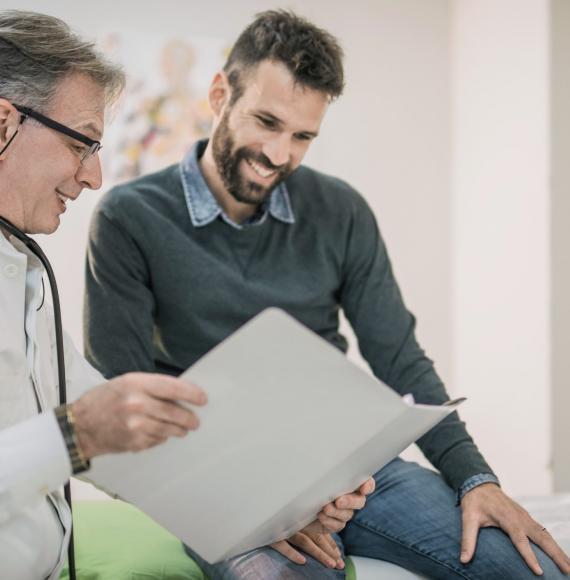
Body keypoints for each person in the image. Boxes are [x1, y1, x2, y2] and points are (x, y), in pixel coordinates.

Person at [84, 10, 570, 580]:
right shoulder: (128, 217)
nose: (279, 153)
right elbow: (124, 406)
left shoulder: (341, 211)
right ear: (220, 94)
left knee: (538, 569)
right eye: (266, 121)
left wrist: (476, 478)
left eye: (303, 136)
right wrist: (258, 507)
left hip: (350, 467)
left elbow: (400, 357)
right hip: (222, 483)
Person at [0, 11, 211, 580]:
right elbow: (83, 429)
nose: (95, 177)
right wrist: (77, 433)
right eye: (81, 145)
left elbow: (114, 424)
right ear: (2, 125)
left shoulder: (23, 270)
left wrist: (275, 504)